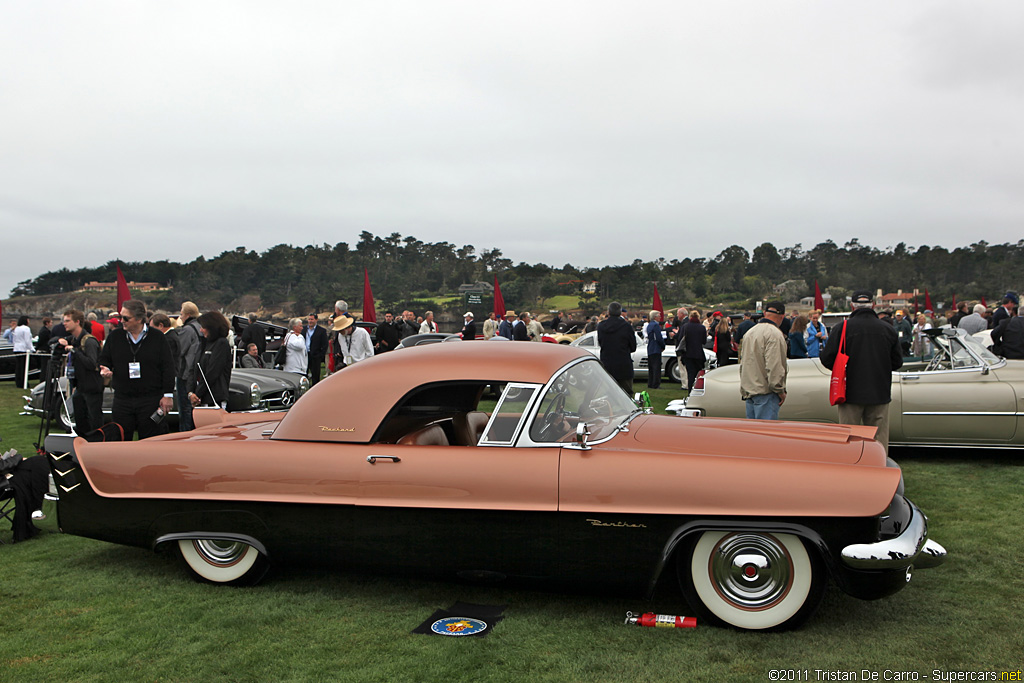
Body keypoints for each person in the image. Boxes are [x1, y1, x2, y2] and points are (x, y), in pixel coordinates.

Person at [820, 290, 903, 454]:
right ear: (873, 305)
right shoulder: (887, 329)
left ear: (852, 306)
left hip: (849, 392)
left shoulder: (842, 328)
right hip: (879, 390)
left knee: (850, 437)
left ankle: (852, 470)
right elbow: (897, 362)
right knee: (879, 439)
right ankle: (878, 470)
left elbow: (827, 358)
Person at [98, 299, 175, 440]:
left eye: (125, 318)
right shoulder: (115, 337)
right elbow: (104, 359)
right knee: (120, 438)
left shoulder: (157, 337)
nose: (122, 321)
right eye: (120, 317)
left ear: (139, 319)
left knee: (152, 440)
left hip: (150, 398)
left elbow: (168, 366)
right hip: (123, 398)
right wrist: (105, 369)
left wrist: (168, 395)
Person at [56, 309, 103, 436]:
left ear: (77, 322)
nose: (64, 324)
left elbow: (92, 364)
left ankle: (97, 444)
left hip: (92, 386)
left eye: (67, 321)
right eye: (63, 321)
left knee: (94, 419)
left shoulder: (89, 341)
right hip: (81, 386)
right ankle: (83, 441)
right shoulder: (75, 339)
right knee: (80, 419)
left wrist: (75, 351)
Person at [738, 301, 788, 420]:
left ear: (765, 313)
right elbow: (774, 365)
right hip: (766, 392)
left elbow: (743, 362)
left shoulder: (750, 332)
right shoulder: (775, 334)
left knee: (754, 436)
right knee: (766, 434)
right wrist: (779, 389)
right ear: (782, 316)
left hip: (749, 391)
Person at [188, 311, 232, 410]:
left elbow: (213, 372)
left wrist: (198, 393)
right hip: (200, 400)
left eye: (203, 327)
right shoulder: (203, 344)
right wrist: (191, 393)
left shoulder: (221, 344)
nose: (201, 330)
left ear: (212, 328)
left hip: (214, 399)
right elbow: (193, 369)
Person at [174, 301, 203, 431]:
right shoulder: (201, 327)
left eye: (181, 314)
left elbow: (180, 350)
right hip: (198, 372)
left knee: (185, 408)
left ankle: (185, 432)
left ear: (188, 314)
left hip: (185, 372)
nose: (180, 317)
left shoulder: (187, 330)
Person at [597, 302, 636, 395]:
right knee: (627, 396)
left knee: (607, 396)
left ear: (608, 312)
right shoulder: (627, 326)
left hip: (607, 364)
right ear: (620, 313)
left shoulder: (601, 326)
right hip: (623, 365)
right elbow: (633, 347)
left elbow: (600, 342)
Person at [304, 314, 328, 385]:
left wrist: (320, 356)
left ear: (316, 320)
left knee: (315, 376)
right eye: (309, 319)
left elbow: (325, 345)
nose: (310, 321)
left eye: (312, 319)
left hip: (315, 356)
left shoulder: (322, 331)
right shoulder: (304, 329)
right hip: (305, 355)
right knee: (304, 373)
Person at [645, 310, 666, 389]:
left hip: (650, 347)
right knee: (656, 367)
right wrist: (663, 345)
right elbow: (658, 337)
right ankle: (656, 384)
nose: (660, 317)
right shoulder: (656, 325)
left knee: (651, 367)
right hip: (656, 348)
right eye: (659, 316)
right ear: (655, 317)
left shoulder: (649, 325)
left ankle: (650, 383)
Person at [12, 316, 33, 387]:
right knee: (23, 367)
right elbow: (27, 340)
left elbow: (14, 339)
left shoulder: (17, 328)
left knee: (18, 367)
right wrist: (32, 349)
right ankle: (23, 382)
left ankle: (18, 382)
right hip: (23, 349)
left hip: (17, 348)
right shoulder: (26, 328)